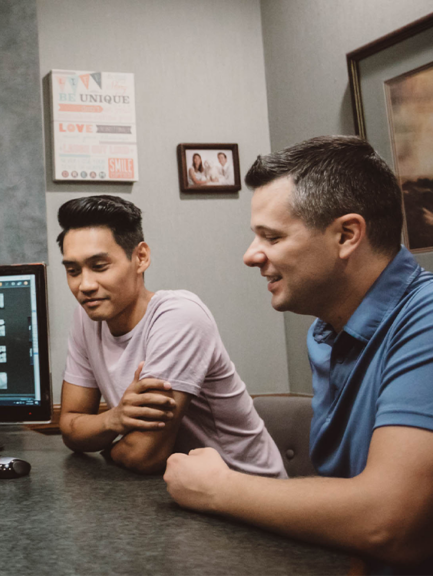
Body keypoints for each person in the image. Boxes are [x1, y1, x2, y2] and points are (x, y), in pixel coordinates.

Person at [163, 136, 433, 574]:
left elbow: (391, 521)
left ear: (347, 235)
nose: (251, 255)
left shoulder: (426, 322)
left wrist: (217, 488)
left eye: (271, 236)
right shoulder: (324, 333)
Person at [57, 195, 285, 477]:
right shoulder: (88, 317)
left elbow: (145, 454)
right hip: (174, 491)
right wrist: (114, 419)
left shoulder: (179, 316)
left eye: (100, 266)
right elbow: (69, 427)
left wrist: (105, 446)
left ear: (140, 257)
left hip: (248, 491)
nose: (85, 285)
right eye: (73, 271)